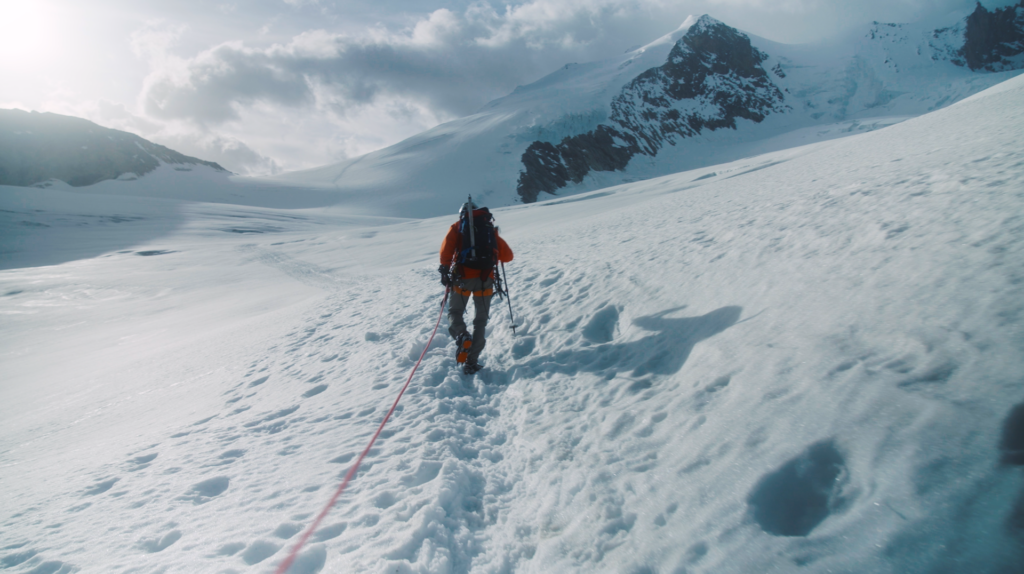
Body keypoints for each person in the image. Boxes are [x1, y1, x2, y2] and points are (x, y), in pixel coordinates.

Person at [438, 201, 513, 374]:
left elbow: (446, 251)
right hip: (485, 279)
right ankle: (471, 361)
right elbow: (508, 256)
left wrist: (444, 269)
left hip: (462, 278)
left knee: (454, 312)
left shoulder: (457, 227)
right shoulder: (489, 228)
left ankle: (461, 334)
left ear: (462, 214)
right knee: (480, 321)